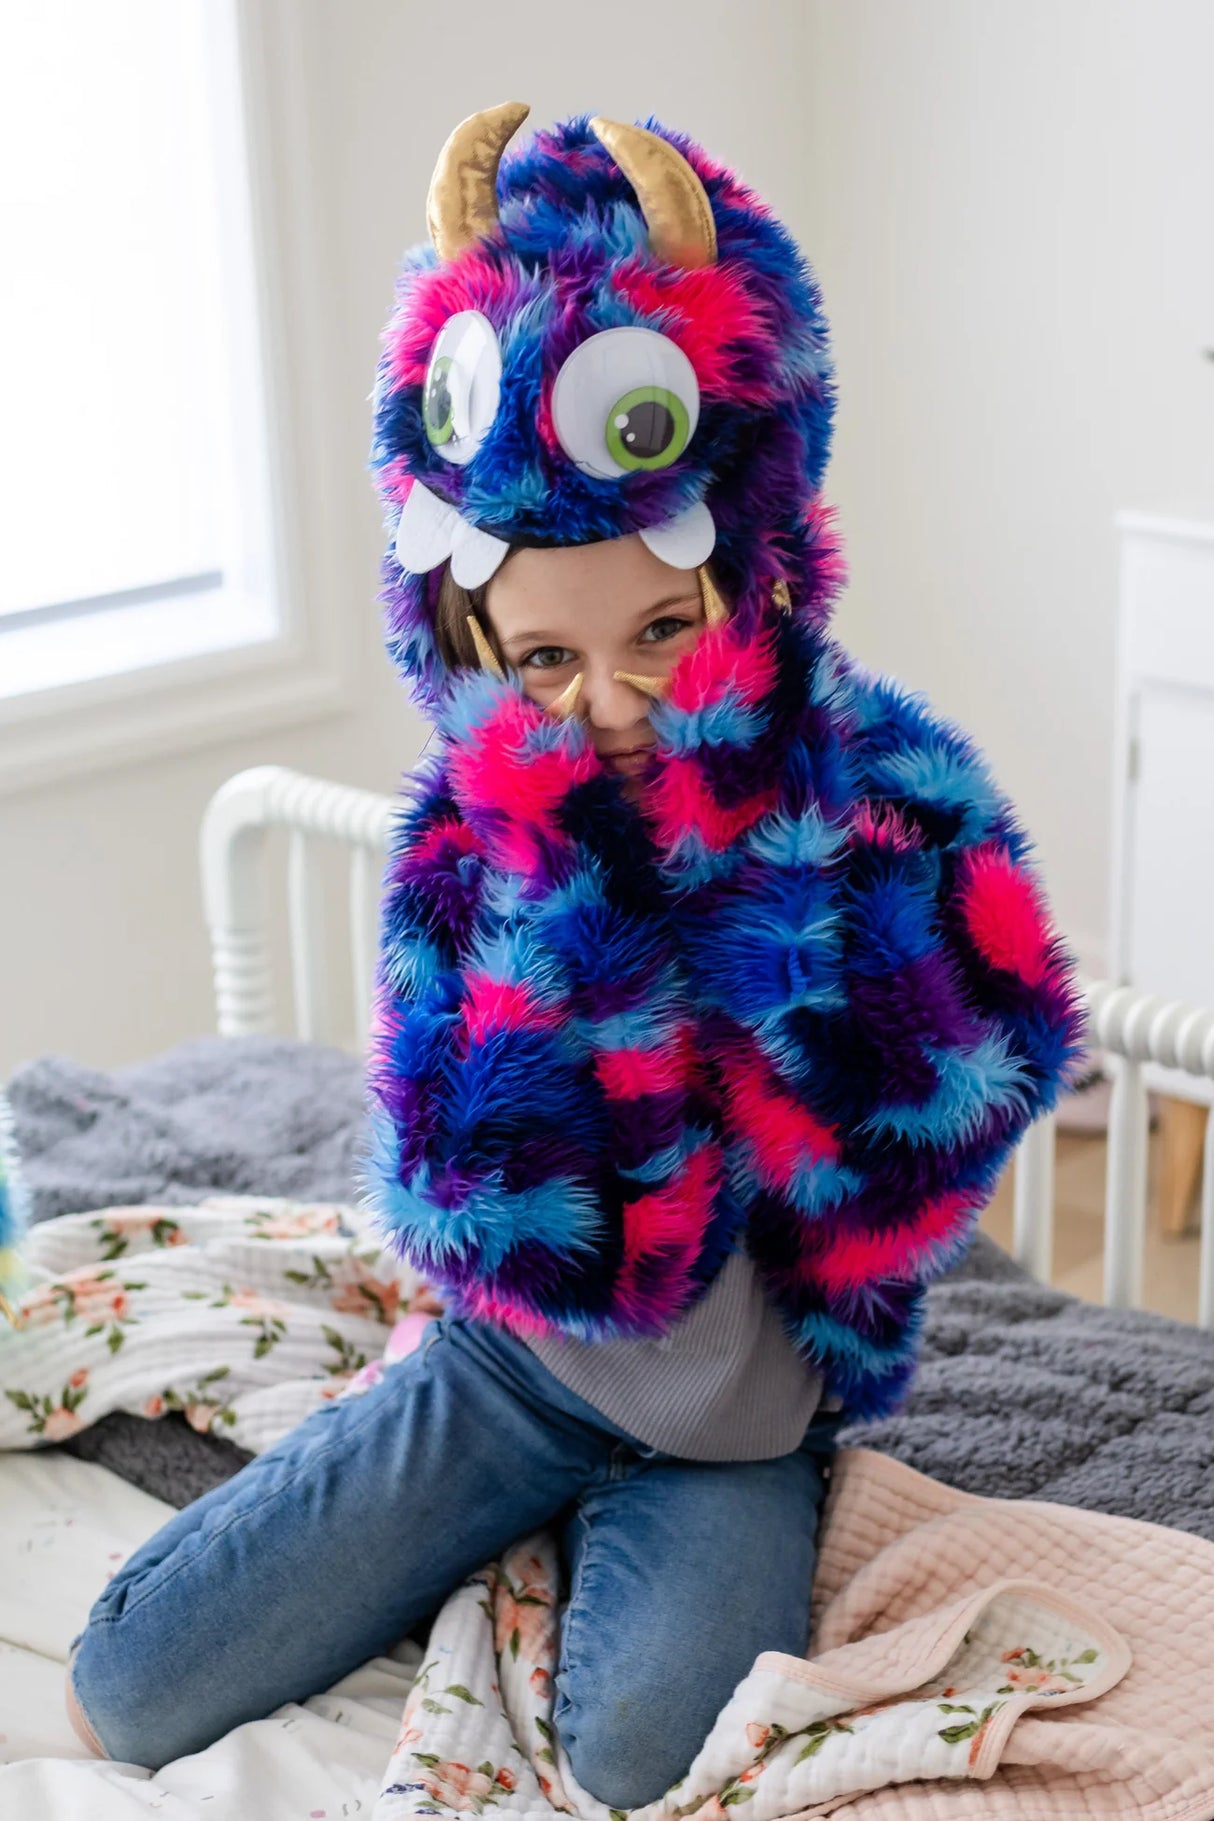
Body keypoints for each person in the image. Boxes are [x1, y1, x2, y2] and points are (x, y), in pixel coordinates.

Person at [66, 107, 1082, 1808]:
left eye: (660, 634)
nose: (607, 704)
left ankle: (605, 1518)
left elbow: (984, 1066)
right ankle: (444, 1482)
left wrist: (766, 920)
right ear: (465, 629)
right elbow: (454, 1167)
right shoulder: (475, 837)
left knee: (630, 1757)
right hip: (508, 1363)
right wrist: (567, 920)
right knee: (126, 1681)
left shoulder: (885, 794)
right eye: (545, 656)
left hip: (740, 1423)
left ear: (749, 583)